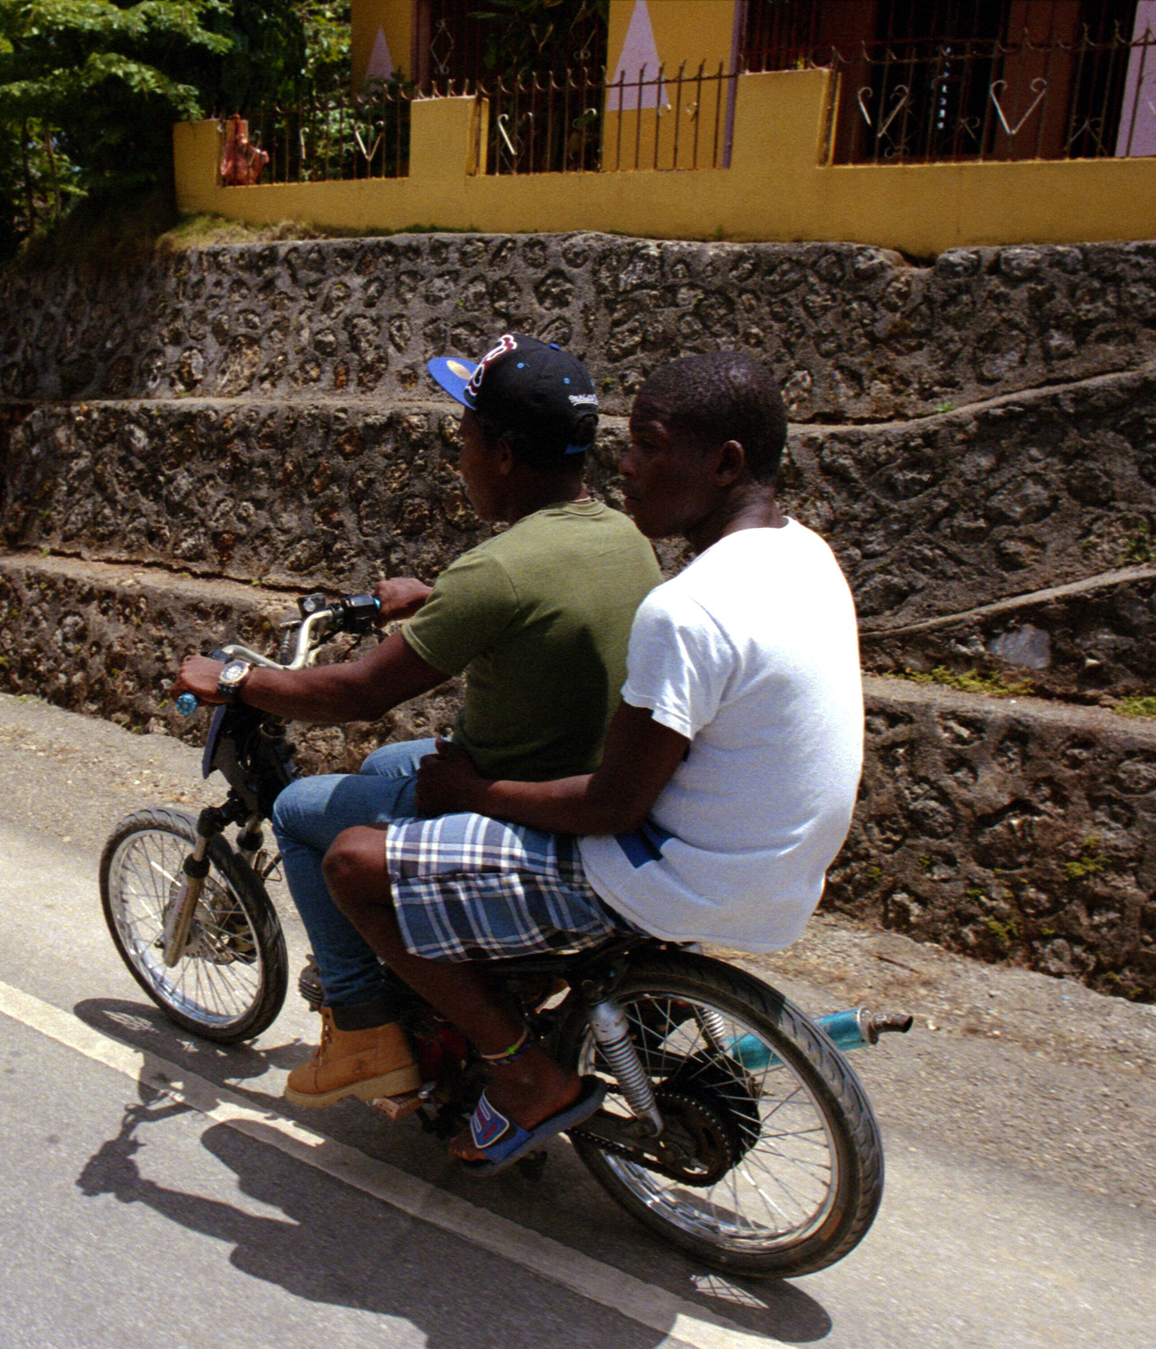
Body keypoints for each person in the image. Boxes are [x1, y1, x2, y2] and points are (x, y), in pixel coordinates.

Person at [320, 351, 863, 1173]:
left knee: (354, 862)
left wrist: (473, 789)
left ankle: (525, 1073)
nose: (628, 466)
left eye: (649, 446)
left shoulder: (690, 608)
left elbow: (612, 809)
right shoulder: (804, 557)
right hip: (782, 876)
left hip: (665, 874)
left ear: (724, 463)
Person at [171, 333, 662, 1108]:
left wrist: (237, 679)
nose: (458, 454)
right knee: (377, 769)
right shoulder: (621, 535)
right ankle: (429, 992)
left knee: (302, 811)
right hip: (581, 773)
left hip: (514, 806)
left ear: (503, 454)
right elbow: (542, 608)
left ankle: (363, 1030)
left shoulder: (495, 570)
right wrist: (438, 599)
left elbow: (357, 693)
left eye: (464, 437)